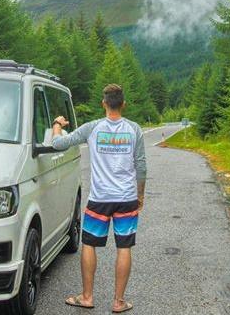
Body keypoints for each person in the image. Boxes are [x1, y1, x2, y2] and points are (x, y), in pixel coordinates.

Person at [50, 83, 146, 313]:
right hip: (126, 197)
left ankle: (87, 297)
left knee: (89, 244)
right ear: (123, 104)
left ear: (104, 103)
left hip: (99, 198)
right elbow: (141, 165)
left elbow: (58, 143)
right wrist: (140, 195)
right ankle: (118, 302)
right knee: (124, 247)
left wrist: (56, 125)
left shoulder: (92, 128)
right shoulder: (134, 129)